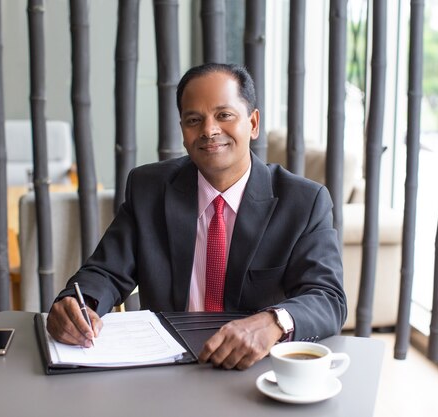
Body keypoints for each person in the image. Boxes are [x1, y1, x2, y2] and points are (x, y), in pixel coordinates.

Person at [47, 63, 346, 370]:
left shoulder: (303, 202)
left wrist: (273, 321)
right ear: (183, 131)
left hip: (256, 369)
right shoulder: (150, 189)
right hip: (167, 368)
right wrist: (77, 306)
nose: (209, 130)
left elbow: (327, 298)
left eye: (224, 115)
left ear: (253, 123)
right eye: (194, 120)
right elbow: (106, 272)